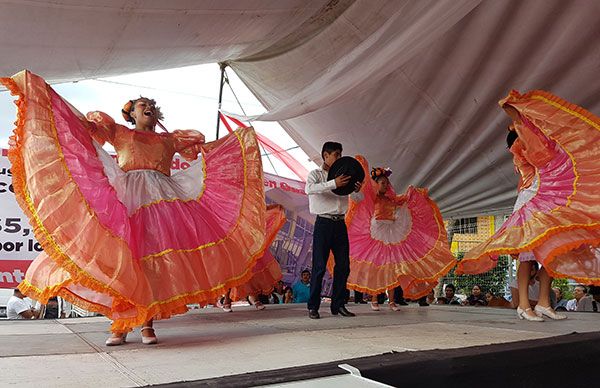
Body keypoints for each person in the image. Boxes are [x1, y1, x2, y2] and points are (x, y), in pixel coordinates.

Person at [2, 71, 268, 346]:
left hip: (163, 200)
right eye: (143, 104)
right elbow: (83, 129)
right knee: (124, 258)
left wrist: (239, 141)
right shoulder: (119, 131)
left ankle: (146, 325)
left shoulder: (169, 140)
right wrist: (48, 99)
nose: (149, 107)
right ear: (132, 112)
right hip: (128, 198)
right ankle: (121, 324)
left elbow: (204, 150)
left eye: (152, 105)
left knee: (151, 262)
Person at [456, 89, 600, 320]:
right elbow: (537, 146)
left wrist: (521, 118)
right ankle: (524, 304)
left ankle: (543, 302)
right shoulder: (521, 150)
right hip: (530, 204)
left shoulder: (536, 150)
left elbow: (544, 147)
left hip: (545, 202)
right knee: (528, 257)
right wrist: (517, 117)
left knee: (551, 254)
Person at [335, 160, 456, 312]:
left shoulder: (390, 199)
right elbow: (359, 204)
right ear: (376, 184)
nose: (386, 186)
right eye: (383, 183)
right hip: (377, 233)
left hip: (392, 232)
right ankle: (374, 299)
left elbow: (403, 200)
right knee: (377, 267)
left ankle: (391, 301)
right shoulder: (371, 198)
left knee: (392, 267)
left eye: (387, 183)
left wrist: (413, 194)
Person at [305, 142, 363, 319]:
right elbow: (309, 189)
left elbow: (358, 199)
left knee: (343, 266)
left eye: (340, 154)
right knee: (319, 266)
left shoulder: (345, 175)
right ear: (325, 156)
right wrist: (333, 183)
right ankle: (313, 307)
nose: (339, 158)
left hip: (340, 224)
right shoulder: (315, 174)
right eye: (336, 154)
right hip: (323, 223)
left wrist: (357, 190)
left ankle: (338, 305)